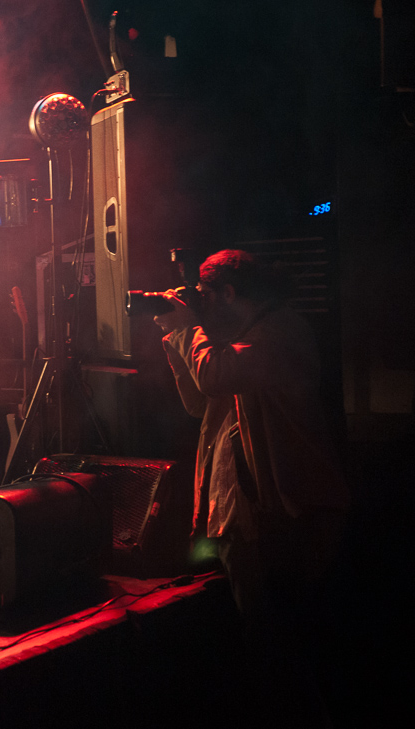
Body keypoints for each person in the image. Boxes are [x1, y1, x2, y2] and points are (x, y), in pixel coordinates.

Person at [155, 249, 350, 724]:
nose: (201, 305)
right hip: (245, 518)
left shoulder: (280, 332)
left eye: (204, 296)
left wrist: (186, 329)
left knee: (280, 652)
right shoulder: (243, 338)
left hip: (284, 517)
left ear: (227, 293)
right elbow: (202, 403)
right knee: (264, 648)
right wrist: (175, 340)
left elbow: (217, 374)